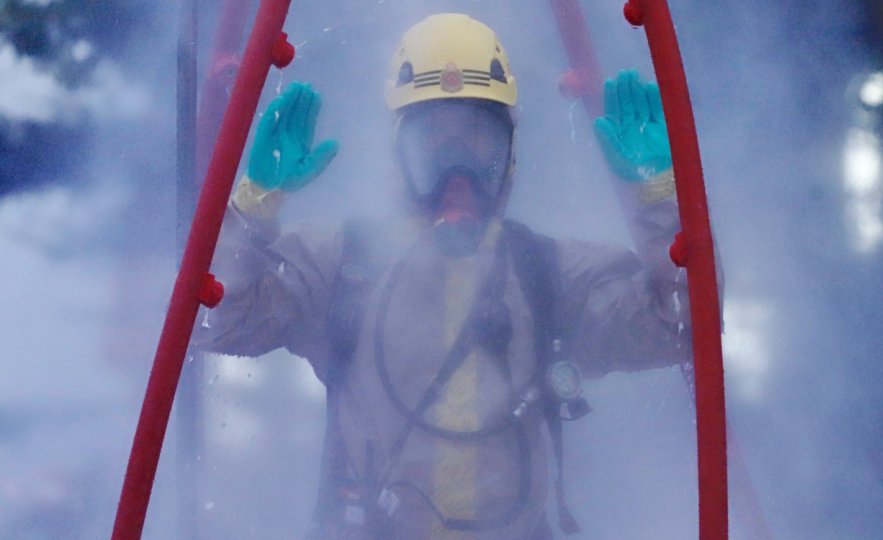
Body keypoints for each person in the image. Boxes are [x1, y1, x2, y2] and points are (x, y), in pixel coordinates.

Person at [197, 12, 690, 540]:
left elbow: (678, 325)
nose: (458, 169)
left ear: (510, 154)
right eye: (432, 143)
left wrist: (660, 201)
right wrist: (252, 207)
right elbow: (219, 322)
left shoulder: (546, 272)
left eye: (479, 141)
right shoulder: (342, 264)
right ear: (396, 153)